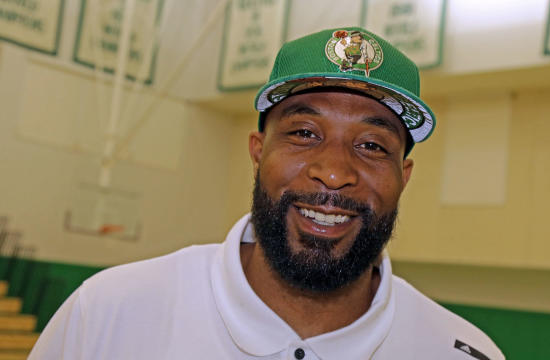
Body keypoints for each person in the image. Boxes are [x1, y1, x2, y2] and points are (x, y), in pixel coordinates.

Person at [29, 27, 504, 360]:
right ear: (258, 150)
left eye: (371, 145)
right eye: (303, 133)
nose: (333, 172)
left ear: (405, 175)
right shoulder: (110, 313)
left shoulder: (459, 351)